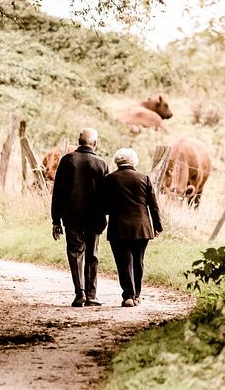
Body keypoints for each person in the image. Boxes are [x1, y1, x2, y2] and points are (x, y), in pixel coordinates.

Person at [51, 128, 109, 307]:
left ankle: (80, 293)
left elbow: (58, 192)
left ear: (78, 141)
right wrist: (106, 214)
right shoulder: (101, 164)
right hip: (95, 217)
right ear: (95, 144)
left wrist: (56, 220)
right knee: (92, 254)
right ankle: (92, 295)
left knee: (75, 252)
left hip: (72, 216)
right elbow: (106, 195)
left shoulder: (67, 160)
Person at [102, 148, 163, 307]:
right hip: (141, 227)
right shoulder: (145, 178)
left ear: (117, 161)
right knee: (138, 261)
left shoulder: (109, 179)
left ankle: (128, 295)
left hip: (118, 228)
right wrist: (157, 226)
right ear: (133, 161)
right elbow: (153, 206)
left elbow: (104, 207)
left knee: (123, 262)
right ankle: (136, 295)